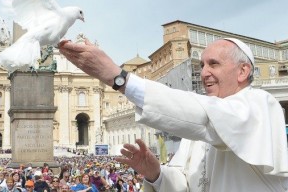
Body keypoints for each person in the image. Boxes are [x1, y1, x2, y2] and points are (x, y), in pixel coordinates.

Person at [59, 38, 288, 191]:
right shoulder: (200, 126)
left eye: (214, 64)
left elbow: (208, 118)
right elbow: (184, 184)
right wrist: (156, 173)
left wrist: (120, 79)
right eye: (202, 65)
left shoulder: (261, 104)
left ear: (243, 71)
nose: (204, 72)